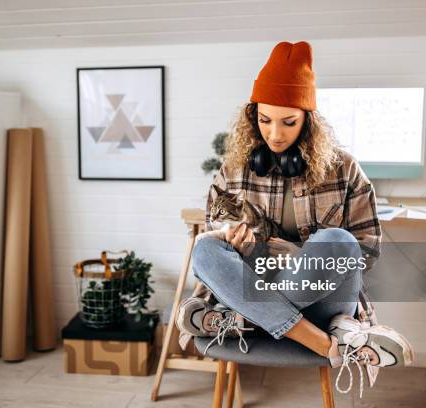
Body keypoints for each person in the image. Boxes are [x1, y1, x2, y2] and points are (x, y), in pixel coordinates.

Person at [176, 41, 413, 396]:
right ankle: (315, 339)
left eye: (288, 122)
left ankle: (252, 320)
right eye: (264, 120)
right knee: (204, 249)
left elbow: (364, 252)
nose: (274, 134)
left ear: (308, 120)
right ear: (252, 117)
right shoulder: (233, 170)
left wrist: (297, 253)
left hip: (318, 303)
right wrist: (231, 239)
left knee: (338, 242)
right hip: (265, 292)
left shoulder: (344, 169)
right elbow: (215, 227)